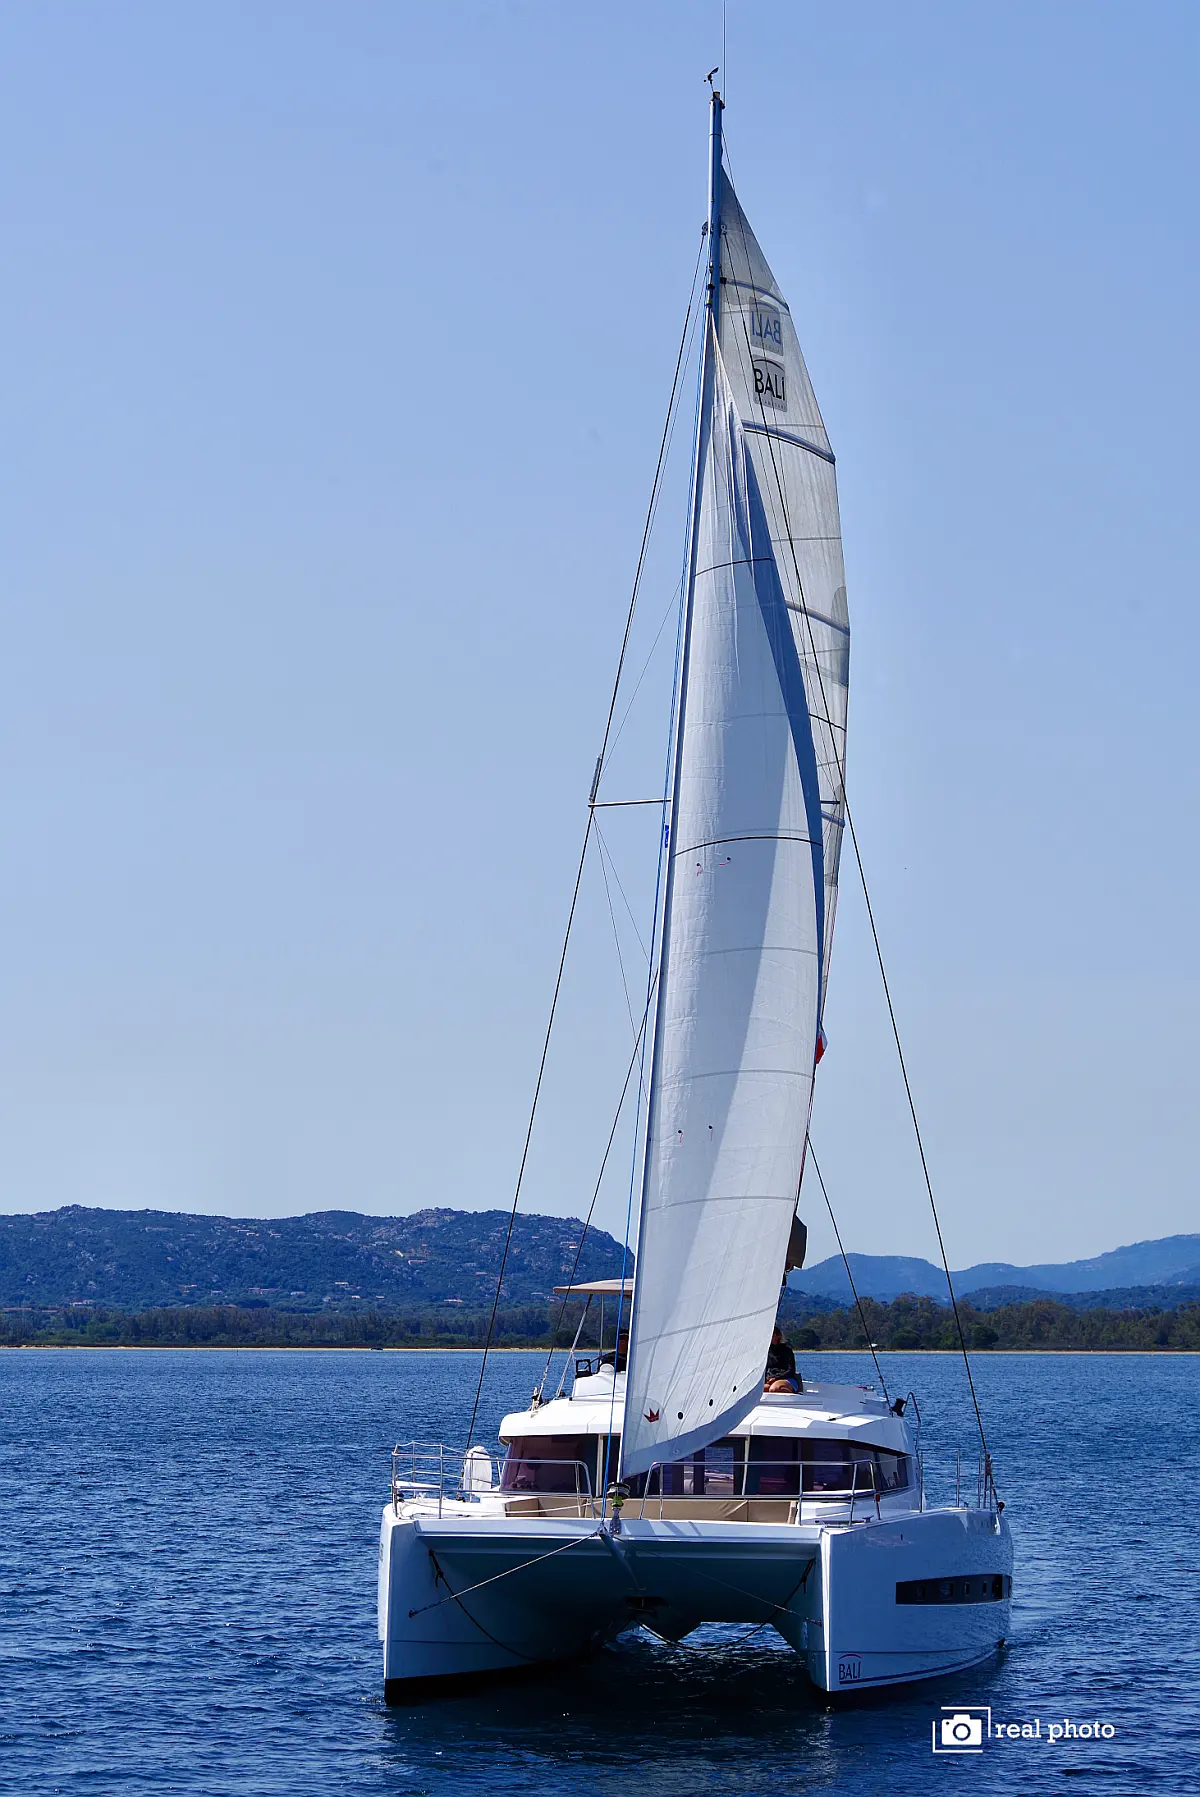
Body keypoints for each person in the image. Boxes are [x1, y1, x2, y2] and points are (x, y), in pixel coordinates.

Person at [764, 1325, 801, 1393]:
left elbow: (791, 1370)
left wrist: (776, 1378)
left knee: (774, 1389)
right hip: (770, 1379)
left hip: (786, 1378)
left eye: (772, 1335)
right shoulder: (766, 1352)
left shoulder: (787, 1351)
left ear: (778, 1336)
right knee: (761, 1390)